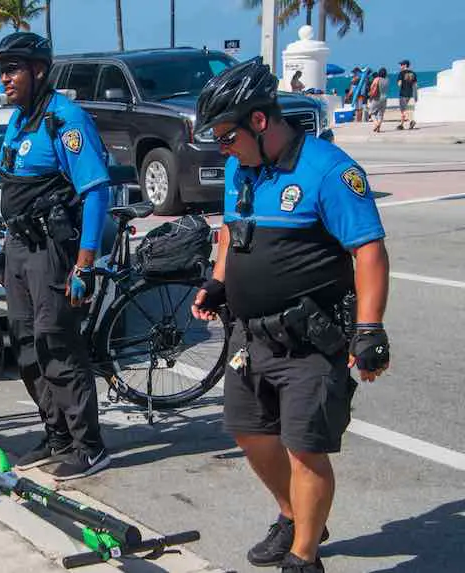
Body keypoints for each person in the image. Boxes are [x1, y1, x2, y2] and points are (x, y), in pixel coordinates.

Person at [192, 59, 391, 573]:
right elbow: (231, 232)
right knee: (248, 431)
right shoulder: (242, 165)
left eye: (226, 135)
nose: (221, 147)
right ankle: (294, 516)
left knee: (304, 449)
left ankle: (304, 557)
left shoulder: (328, 169)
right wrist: (218, 281)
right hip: (248, 336)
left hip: (309, 338)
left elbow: (368, 250)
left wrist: (370, 329)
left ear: (259, 121)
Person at [0, 32, 110, 481]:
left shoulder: (66, 119)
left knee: (57, 343)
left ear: (39, 71)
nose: (5, 78)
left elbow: (96, 192)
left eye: (13, 69)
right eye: (2, 70)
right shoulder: (21, 118)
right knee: (25, 344)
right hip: (18, 247)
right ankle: (56, 433)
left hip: (52, 250)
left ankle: (89, 445)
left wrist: (85, 263)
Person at [397, 59, 418, 130]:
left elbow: (399, 84)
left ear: (405, 65)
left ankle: (411, 121)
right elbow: (415, 85)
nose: (400, 66)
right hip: (410, 94)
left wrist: (400, 82)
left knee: (403, 110)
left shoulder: (401, 73)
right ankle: (401, 125)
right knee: (405, 109)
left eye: (401, 65)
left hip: (403, 94)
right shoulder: (413, 73)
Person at [369, 68, 389, 133]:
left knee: (372, 113)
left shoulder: (377, 79)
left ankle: (376, 124)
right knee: (381, 114)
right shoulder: (387, 80)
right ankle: (378, 128)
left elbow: (372, 87)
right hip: (385, 98)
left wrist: (371, 95)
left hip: (377, 98)